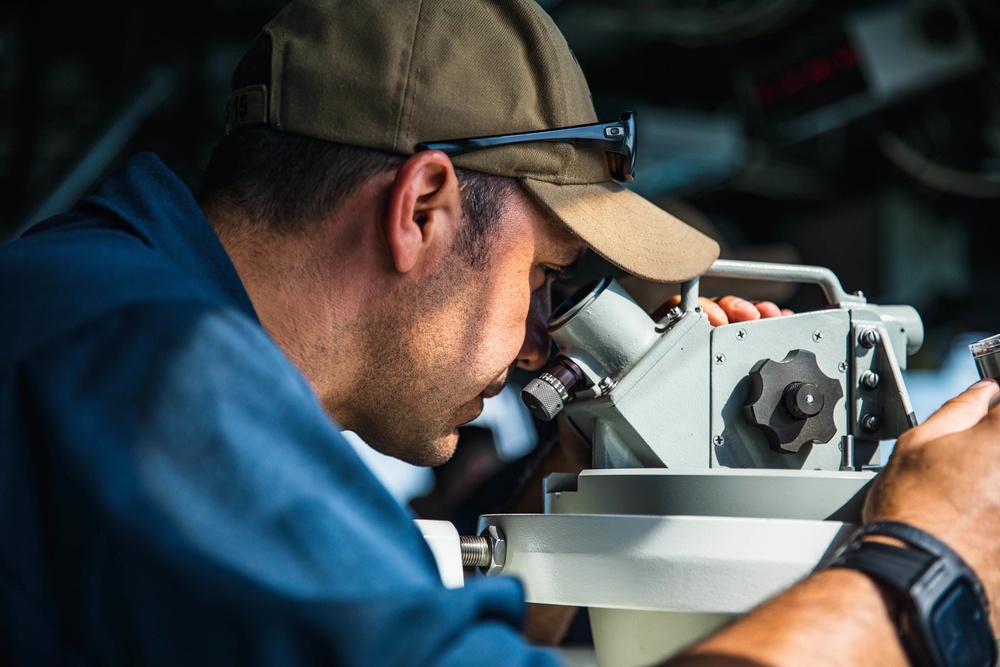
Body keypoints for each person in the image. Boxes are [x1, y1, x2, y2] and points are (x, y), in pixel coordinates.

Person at [1, 1, 997, 666]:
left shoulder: (100, 302)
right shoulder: (155, 372)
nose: (539, 347)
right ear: (423, 205)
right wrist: (924, 563)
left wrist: (585, 468)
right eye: (545, 278)